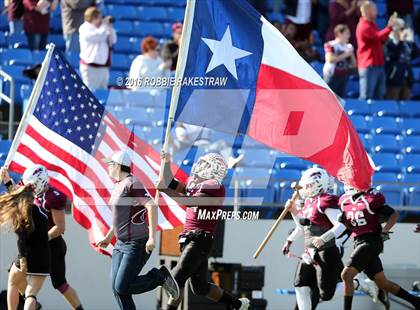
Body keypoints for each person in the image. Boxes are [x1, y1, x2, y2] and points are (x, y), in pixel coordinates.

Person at [157, 152, 250, 310]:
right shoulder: (198, 184)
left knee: (175, 279)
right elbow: (170, 183)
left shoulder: (215, 186)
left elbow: (189, 201)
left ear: (214, 169)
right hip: (190, 238)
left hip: (200, 239)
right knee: (199, 288)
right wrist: (166, 162)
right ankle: (238, 304)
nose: (200, 166)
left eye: (206, 164)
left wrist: (165, 190)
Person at [96, 150, 179, 310]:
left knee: (121, 286)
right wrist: (108, 237)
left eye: (110, 164)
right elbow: (120, 218)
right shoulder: (118, 185)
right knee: (118, 289)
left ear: (118, 166)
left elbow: (151, 205)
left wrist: (152, 237)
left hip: (136, 243)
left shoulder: (132, 183)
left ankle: (160, 277)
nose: (108, 168)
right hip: (120, 244)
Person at [1, 165, 85, 310]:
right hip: (33, 243)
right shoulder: (29, 191)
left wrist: (40, 239)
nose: (26, 187)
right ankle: (32, 302)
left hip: (52, 244)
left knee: (59, 283)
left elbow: (59, 227)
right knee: (16, 277)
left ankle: (78, 308)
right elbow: (17, 195)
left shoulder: (53, 197)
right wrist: (7, 179)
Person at [339, 184, 420, 310]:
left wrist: (385, 231)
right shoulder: (346, 202)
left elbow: (393, 214)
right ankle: (415, 301)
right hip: (358, 242)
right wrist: (346, 224)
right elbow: (352, 227)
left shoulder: (369, 199)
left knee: (346, 275)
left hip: (371, 241)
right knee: (382, 283)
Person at [282, 168, 346, 309]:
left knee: (326, 295)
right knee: (300, 283)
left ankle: (357, 284)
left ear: (319, 184)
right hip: (310, 251)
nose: (306, 189)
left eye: (309, 185)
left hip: (326, 250)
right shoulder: (310, 201)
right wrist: (293, 211)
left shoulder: (326, 200)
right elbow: (303, 225)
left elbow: (341, 225)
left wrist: (324, 238)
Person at [0, 167, 51, 310]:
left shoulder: (22, 206)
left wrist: (6, 180)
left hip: (25, 253)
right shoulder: (37, 210)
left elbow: (18, 196)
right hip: (41, 257)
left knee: (13, 282)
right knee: (31, 294)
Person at [356, 1, 396, 100]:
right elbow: (376, 37)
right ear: (366, 11)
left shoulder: (372, 24)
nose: (377, 12)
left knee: (380, 95)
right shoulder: (363, 26)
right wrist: (389, 27)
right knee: (366, 96)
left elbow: (381, 39)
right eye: (374, 9)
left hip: (378, 64)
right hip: (369, 66)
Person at [79, 6, 117, 90]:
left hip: (103, 66)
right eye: (97, 17)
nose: (100, 20)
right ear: (91, 17)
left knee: (103, 92)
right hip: (90, 66)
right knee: (90, 92)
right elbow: (98, 36)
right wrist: (105, 25)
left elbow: (113, 40)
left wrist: (110, 27)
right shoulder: (84, 28)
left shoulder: (103, 28)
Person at [384, 18, 418, 100]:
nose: (403, 31)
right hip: (394, 78)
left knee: (406, 102)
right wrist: (399, 42)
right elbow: (392, 55)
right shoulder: (389, 42)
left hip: (406, 78)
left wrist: (411, 42)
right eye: (401, 29)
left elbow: (414, 54)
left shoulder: (405, 43)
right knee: (392, 100)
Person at [323, 24, 356, 97]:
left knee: (340, 101)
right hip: (331, 76)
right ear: (339, 34)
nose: (349, 36)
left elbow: (354, 65)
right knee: (329, 99)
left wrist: (351, 54)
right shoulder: (331, 45)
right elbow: (330, 59)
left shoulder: (348, 47)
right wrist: (346, 54)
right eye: (347, 33)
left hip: (343, 76)